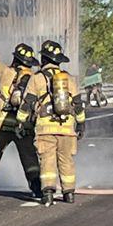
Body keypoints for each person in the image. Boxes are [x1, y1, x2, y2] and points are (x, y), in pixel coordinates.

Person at [0, 43, 46, 199]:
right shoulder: (34, 78)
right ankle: (36, 188)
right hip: (23, 125)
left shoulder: (6, 72)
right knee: (30, 158)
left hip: (1, 124)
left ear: (16, 59)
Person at [34, 39, 82, 205]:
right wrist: (81, 124)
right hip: (67, 129)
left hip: (45, 130)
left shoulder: (37, 78)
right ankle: (69, 194)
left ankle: (48, 193)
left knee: (47, 160)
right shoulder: (69, 79)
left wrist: (21, 122)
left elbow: (27, 103)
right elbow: (78, 105)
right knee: (66, 161)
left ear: (44, 59)